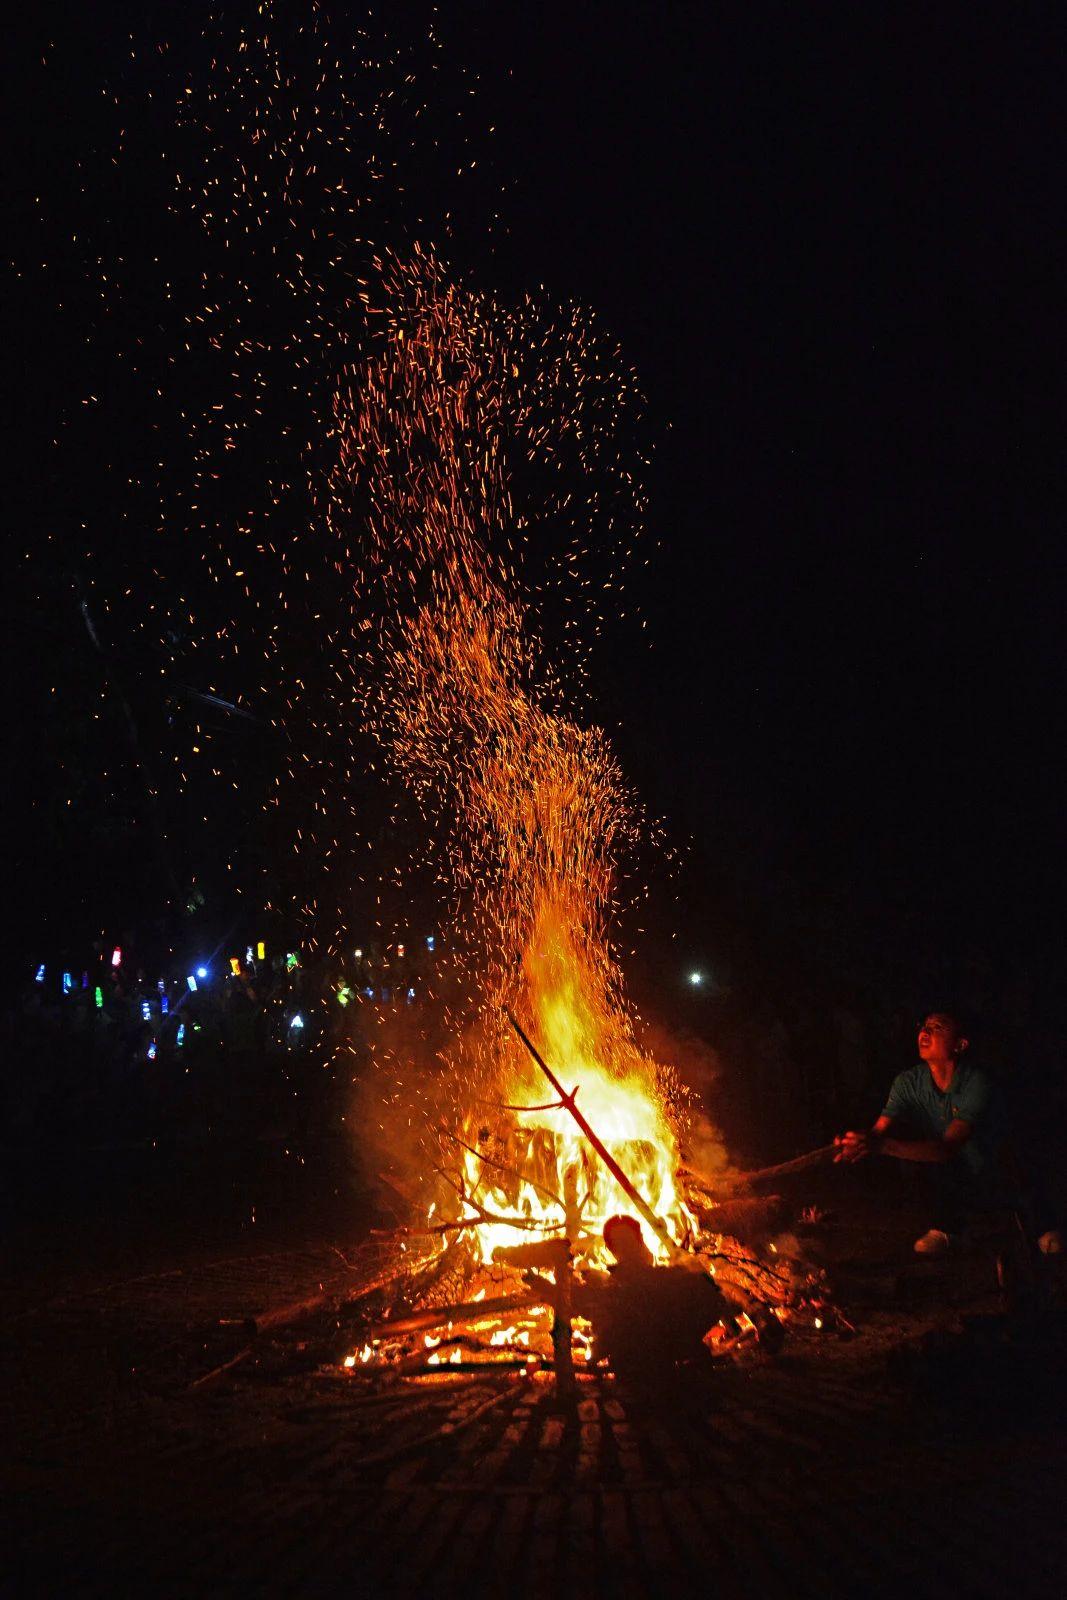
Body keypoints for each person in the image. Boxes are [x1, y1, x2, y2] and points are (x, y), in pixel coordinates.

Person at [835, 1010, 1061, 1256]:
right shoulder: (907, 1083)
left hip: (998, 1170)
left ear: (960, 1045)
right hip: (958, 1173)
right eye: (924, 1026)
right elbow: (878, 1132)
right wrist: (855, 1141)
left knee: (1020, 1170)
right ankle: (948, 1230)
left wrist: (882, 1146)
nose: (926, 1031)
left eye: (938, 1027)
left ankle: (1042, 1225)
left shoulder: (976, 1082)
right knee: (918, 1158)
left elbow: (948, 1147)